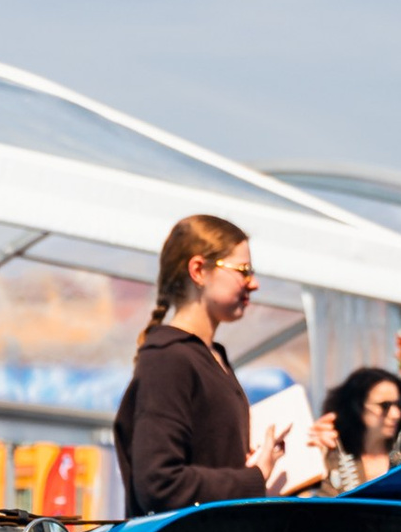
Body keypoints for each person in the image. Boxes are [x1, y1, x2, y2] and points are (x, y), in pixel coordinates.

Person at [113, 215, 291, 514]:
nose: (254, 283)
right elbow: (159, 482)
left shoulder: (210, 357)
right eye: (243, 271)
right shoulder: (168, 359)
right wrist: (254, 476)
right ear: (198, 270)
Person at [319, 363, 401, 492]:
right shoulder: (331, 456)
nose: (396, 414)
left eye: (399, 405)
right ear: (356, 406)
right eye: (385, 406)